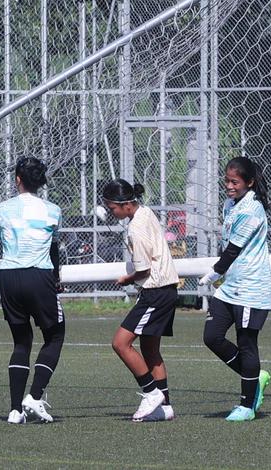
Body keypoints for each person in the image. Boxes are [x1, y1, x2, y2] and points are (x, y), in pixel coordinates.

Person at [0, 156, 64, 424]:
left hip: (9, 279)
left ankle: (15, 410)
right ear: (41, 182)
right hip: (39, 277)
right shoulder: (52, 210)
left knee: (22, 341)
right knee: (55, 336)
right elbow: (53, 248)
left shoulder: (2, 209)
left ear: (17, 179)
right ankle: (34, 396)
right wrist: (57, 276)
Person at [198, 156, 271, 422]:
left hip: (251, 289)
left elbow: (233, 249)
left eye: (234, 182)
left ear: (249, 183)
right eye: (226, 180)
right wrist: (222, 276)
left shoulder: (252, 209)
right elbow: (226, 243)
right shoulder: (230, 204)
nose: (228, 186)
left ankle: (247, 406)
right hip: (231, 286)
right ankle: (255, 377)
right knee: (212, 336)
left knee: (246, 343)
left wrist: (214, 273)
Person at [102, 178, 179, 422]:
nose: (111, 212)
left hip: (155, 291)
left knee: (120, 343)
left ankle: (150, 392)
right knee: (149, 349)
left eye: (112, 207)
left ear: (125, 204)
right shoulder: (146, 212)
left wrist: (127, 279)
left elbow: (144, 270)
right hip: (167, 290)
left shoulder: (135, 228)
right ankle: (165, 406)